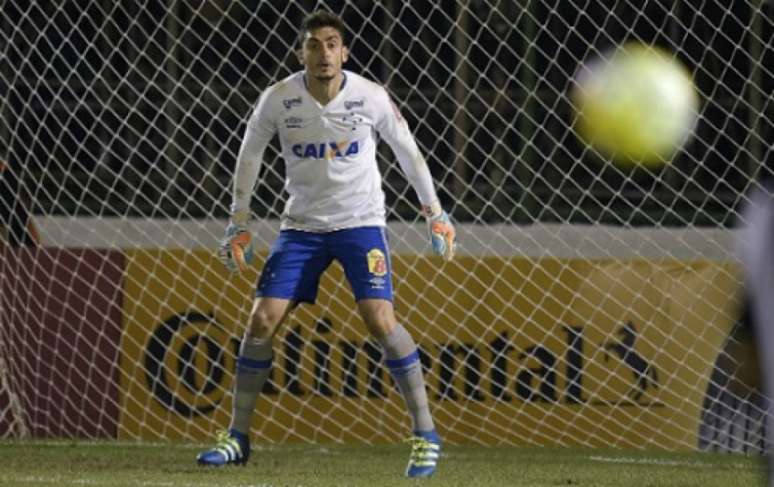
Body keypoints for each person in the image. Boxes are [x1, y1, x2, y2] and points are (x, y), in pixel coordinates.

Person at [196, 11, 455, 478]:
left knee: (380, 319)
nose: (323, 54)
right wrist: (239, 223)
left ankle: (426, 435)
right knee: (261, 320)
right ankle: (237, 437)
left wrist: (435, 213)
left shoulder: (370, 97)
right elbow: (248, 155)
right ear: (302, 53)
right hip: (302, 228)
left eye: (332, 44)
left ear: (345, 52)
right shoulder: (278, 100)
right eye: (314, 45)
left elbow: (407, 149)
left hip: (361, 224)